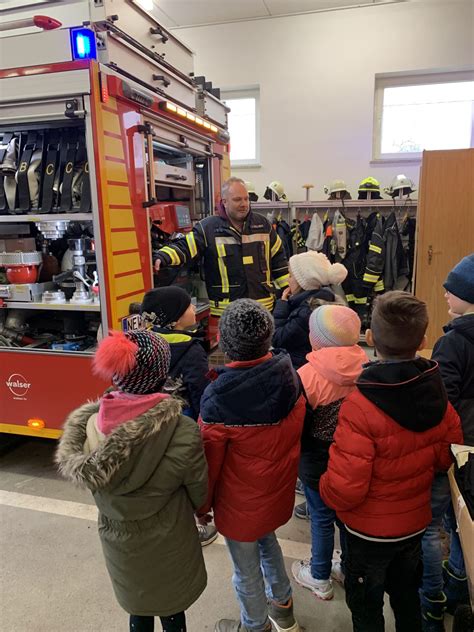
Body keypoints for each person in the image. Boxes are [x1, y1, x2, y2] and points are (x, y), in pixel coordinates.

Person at [319, 291, 463, 632]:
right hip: (412, 525)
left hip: (366, 534)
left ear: (370, 338)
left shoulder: (359, 404)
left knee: (366, 606)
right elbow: (448, 453)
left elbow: (345, 488)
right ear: (424, 339)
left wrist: (324, 487)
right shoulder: (437, 390)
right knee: (406, 597)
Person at [56, 330, 208, 632]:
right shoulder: (181, 429)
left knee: (138, 606)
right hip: (169, 535)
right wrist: (202, 509)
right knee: (171, 608)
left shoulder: (91, 424)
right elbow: (198, 487)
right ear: (161, 373)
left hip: (119, 537)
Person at [197, 299, 306, 632]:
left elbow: (209, 466)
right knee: (268, 544)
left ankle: (255, 625)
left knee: (245, 570)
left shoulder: (218, 398)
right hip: (276, 493)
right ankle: (284, 610)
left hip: (239, 504)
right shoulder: (290, 375)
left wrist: (201, 506)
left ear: (225, 344)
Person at [292, 305, 368, 601]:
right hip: (352, 456)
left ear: (317, 339)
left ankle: (320, 575)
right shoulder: (365, 364)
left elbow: (299, 425)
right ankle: (348, 569)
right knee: (347, 517)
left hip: (316, 461)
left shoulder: (306, 375)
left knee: (321, 517)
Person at [420, 254, 474, 629]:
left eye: (451, 289)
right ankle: (457, 580)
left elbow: (443, 402)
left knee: (459, 519)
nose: (444, 293)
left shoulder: (453, 343)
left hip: (464, 445)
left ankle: (454, 586)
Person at [153, 178, 289, 317]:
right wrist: (164, 256)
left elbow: (278, 259)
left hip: (263, 309)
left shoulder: (263, 225)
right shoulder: (208, 228)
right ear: (224, 202)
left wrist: (288, 288)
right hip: (226, 313)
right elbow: (186, 247)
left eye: (246, 199)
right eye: (237, 200)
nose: (244, 204)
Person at [140, 287, 209, 421]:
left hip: (149, 415)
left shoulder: (143, 342)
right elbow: (199, 391)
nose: (194, 308)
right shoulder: (191, 350)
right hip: (181, 419)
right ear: (176, 319)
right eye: (188, 307)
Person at [272, 251, 348, 369]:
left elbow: (277, 339)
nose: (288, 280)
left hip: (301, 370)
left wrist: (282, 305)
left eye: (291, 275)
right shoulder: (325, 301)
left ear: (303, 282)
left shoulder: (305, 313)